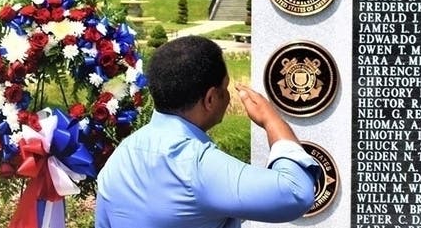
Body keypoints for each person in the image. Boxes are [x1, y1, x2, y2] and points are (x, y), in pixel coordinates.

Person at [95, 35, 319, 228]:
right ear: (210, 99)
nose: (229, 95)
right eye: (225, 87)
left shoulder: (122, 155)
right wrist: (272, 122)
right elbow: (296, 192)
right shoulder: (194, 165)